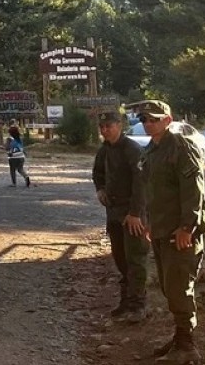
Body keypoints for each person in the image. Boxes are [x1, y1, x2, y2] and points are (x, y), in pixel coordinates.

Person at [128, 100, 205, 363]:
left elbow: (193, 191)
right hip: (162, 229)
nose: (148, 124)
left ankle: (188, 347)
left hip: (181, 230)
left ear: (167, 119)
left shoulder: (180, 147)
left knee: (179, 288)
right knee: (168, 286)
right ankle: (179, 338)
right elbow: (153, 191)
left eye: (153, 119)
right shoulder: (152, 149)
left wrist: (188, 227)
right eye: (144, 120)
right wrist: (150, 222)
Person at [91, 111, 148, 323]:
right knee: (120, 259)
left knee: (135, 260)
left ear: (119, 125)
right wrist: (100, 189)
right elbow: (97, 173)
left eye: (109, 126)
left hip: (132, 214)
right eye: (102, 127)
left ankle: (138, 306)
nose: (105, 130)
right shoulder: (104, 150)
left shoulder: (132, 149)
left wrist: (135, 214)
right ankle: (126, 302)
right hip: (113, 213)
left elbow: (141, 183)